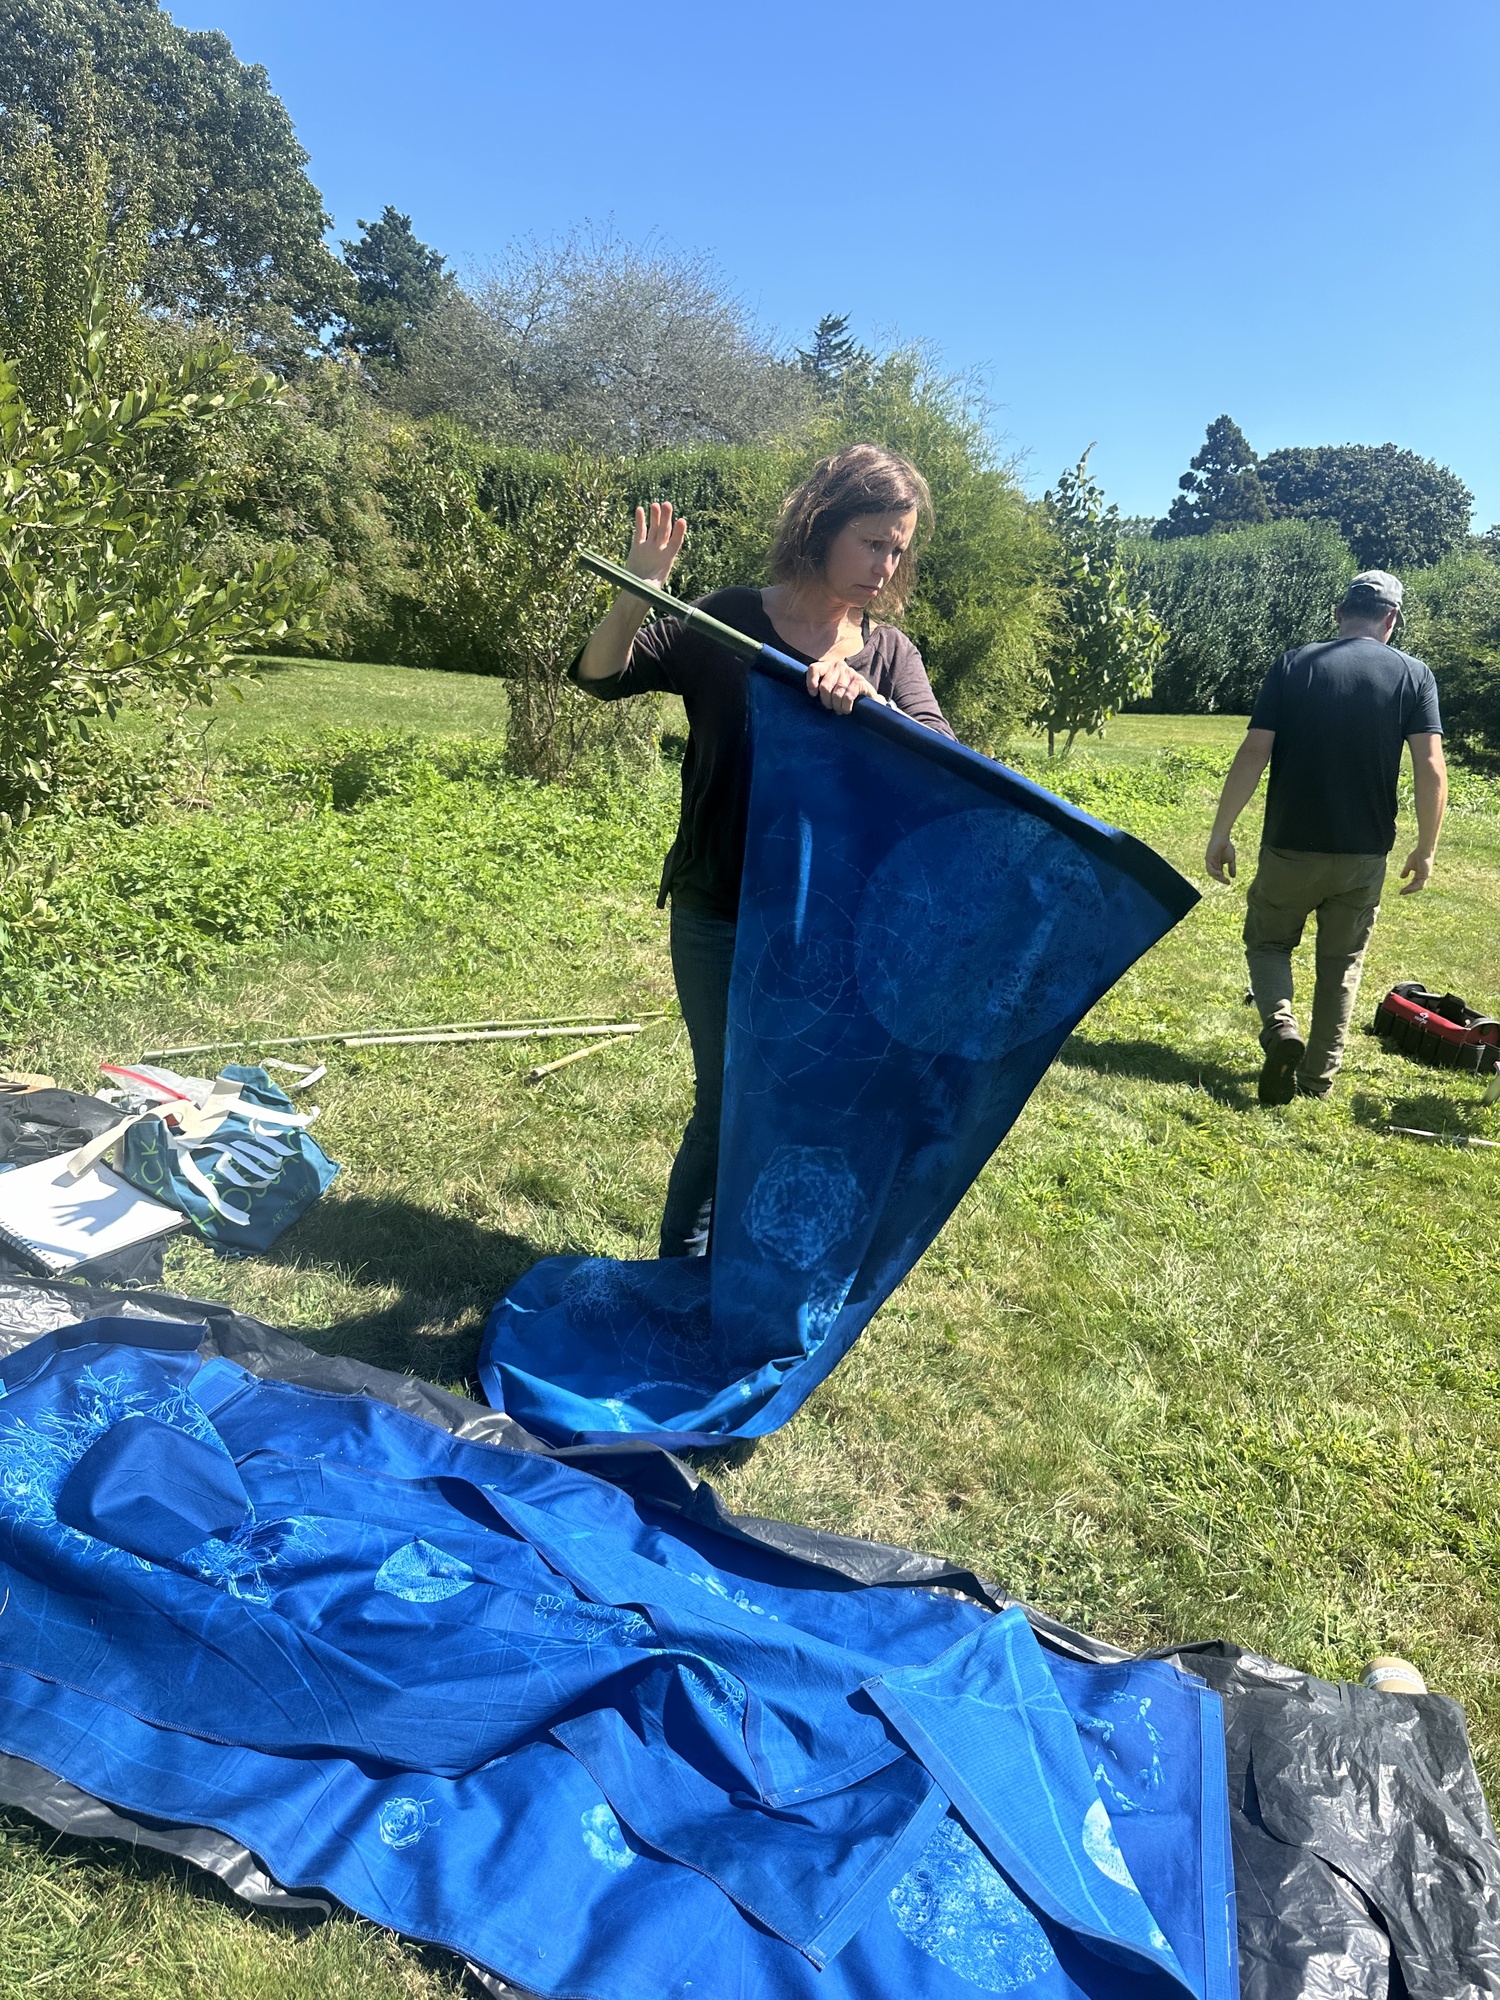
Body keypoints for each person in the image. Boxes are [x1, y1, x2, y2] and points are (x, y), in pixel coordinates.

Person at [574, 443, 955, 1256]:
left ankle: (762, 1263)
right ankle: (683, 1269)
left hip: (827, 927)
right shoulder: (730, 622)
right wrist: (639, 591)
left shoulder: (888, 654)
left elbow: (940, 756)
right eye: (872, 542)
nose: (886, 566)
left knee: (802, 1095)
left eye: (898, 548)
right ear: (820, 528)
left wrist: (872, 701)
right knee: (727, 1099)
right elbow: (599, 675)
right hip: (717, 908)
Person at [1204, 569, 1447, 1106]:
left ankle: (1280, 1024)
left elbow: (1253, 752)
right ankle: (1316, 1079)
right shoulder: (1414, 675)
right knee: (1341, 965)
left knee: (1268, 943)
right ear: (1392, 619)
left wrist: (1221, 832)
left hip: (1290, 843)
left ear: (1339, 613)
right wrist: (1425, 848)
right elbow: (1430, 767)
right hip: (1364, 853)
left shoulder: (1295, 665)